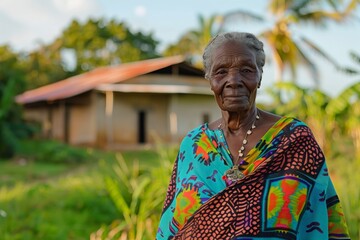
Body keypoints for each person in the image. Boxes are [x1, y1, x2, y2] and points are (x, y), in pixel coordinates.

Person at [156, 32, 350, 239]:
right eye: (221, 72)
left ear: (259, 77)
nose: (233, 81)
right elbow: (173, 223)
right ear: (210, 80)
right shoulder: (193, 145)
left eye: (246, 70)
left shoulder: (294, 140)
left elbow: (323, 218)